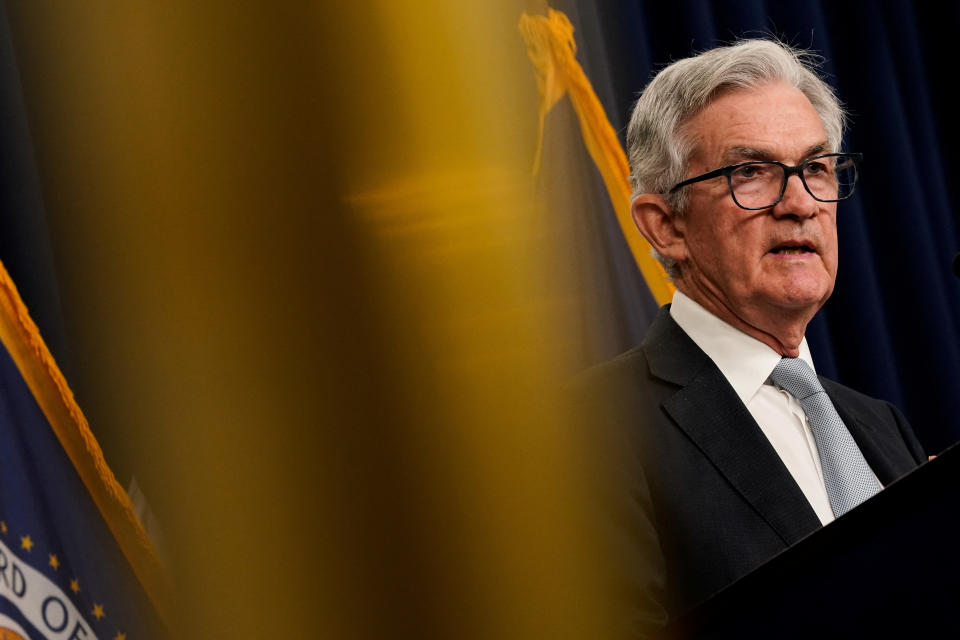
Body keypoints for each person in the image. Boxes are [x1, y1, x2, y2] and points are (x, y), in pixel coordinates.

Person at [577, 39, 927, 636]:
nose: (800, 204)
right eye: (751, 173)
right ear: (665, 226)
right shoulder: (589, 427)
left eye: (815, 168)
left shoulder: (879, 427)